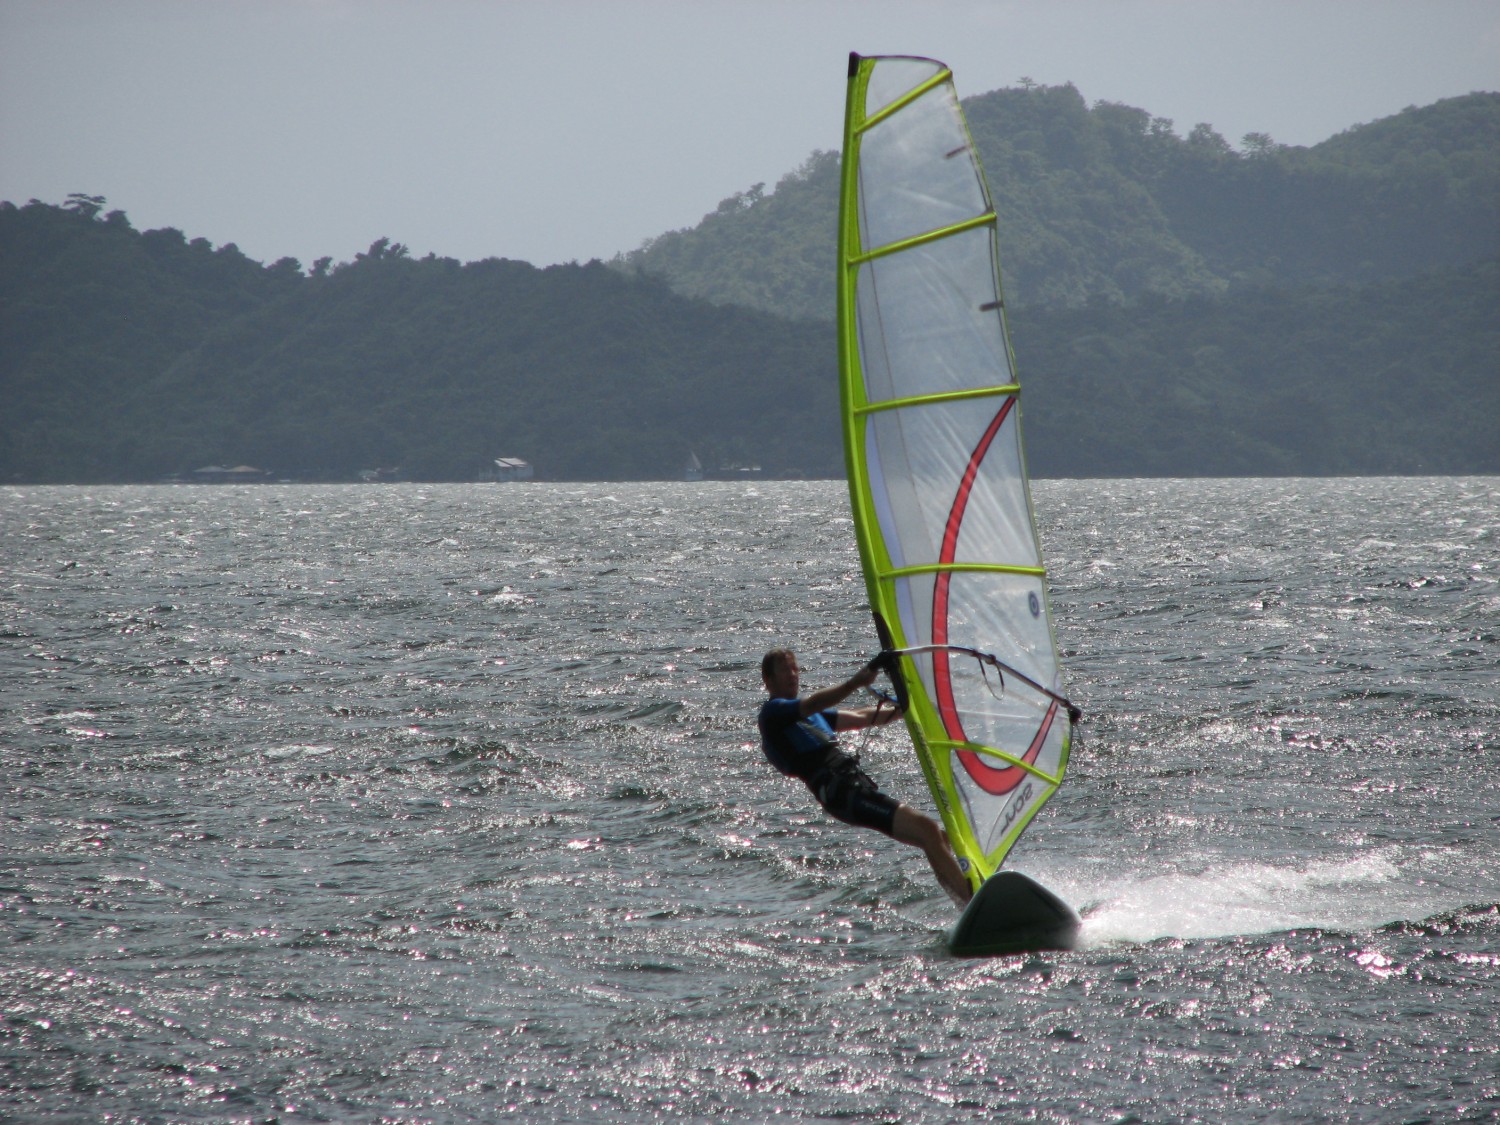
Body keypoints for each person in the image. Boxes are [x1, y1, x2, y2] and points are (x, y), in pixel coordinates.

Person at [756, 647, 972, 906]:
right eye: (784, 669)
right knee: (926, 829)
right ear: (768, 680)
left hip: (853, 788)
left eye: (795, 668)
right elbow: (814, 702)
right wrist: (856, 682)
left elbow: (863, 716)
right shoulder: (773, 713)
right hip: (843, 794)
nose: (792, 674)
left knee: (936, 836)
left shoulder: (813, 716)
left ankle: (965, 900)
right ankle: (972, 900)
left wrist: (907, 703)